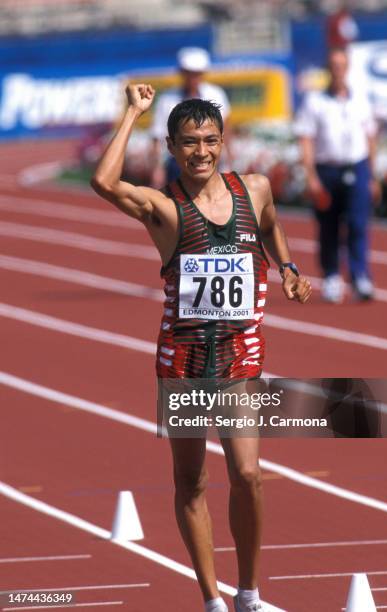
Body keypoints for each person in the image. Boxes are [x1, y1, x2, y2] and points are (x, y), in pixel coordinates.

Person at [91, 83, 311, 612]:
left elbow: (271, 227)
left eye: (210, 141)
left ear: (223, 140)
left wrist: (287, 267)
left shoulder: (254, 189)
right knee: (192, 480)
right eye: (188, 143)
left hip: (240, 357)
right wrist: (132, 114)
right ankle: (212, 599)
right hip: (184, 364)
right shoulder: (164, 210)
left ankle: (250, 595)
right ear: (171, 147)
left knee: (249, 475)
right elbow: (103, 181)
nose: (201, 152)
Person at [295, 47, 381, 303]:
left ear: (348, 68)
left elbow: (370, 137)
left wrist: (373, 176)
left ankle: (359, 276)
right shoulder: (315, 101)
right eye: (333, 65)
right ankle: (332, 275)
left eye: (342, 65)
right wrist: (310, 175)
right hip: (327, 169)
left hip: (357, 166)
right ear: (328, 69)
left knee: (357, 224)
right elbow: (306, 139)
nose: (338, 70)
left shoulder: (360, 99)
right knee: (328, 226)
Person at [150, 46, 232, 188]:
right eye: (189, 73)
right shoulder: (167, 99)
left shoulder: (216, 95)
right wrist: (158, 168)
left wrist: (227, 162)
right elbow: (158, 136)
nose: (193, 78)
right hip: (176, 164)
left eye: (197, 73)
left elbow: (226, 130)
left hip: (209, 161)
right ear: (182, 73)